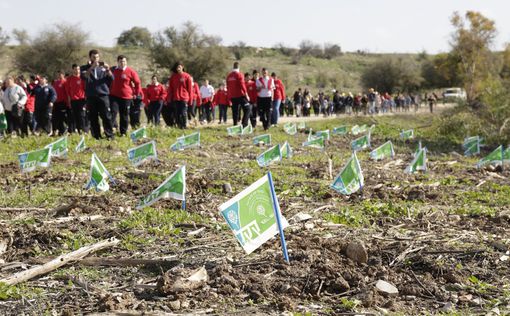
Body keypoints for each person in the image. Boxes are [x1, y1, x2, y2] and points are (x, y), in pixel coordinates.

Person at [81, 49, 114, 140]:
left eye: (97, 57)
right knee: (93, 117)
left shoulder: (103, 67)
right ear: (90, 57)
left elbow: (111, 79)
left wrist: (108, 70)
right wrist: (91, 67)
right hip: (91, 96)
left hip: (103, 95)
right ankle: (96, 136)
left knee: (106, 116)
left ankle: (109, 135)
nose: (96, 59)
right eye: (94, 57)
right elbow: (84, 77)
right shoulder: (84, 68)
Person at [110, 55, 142, 136]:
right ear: (118, 62)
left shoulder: (130, 71)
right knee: (113, 112)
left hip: (126, 97)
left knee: (124, 115)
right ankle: (109, 131)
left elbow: (137, 83)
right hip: (114, 96)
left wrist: (136, 93)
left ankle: (123, 132)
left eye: (124, 61)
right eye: (121, 61)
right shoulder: (113, 70)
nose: (122, 63)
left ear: (126, 62)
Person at [167, 61, 193, 129]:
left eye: (179, 67)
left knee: (183, 112)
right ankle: (179, 126)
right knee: (177, 113)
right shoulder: (173, 77)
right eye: (177, 67)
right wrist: (169, 98)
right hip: (176, 98)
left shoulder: (187, 76)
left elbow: (190, 89)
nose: (178, 68)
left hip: (184, 98)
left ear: (182, 67)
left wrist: (190, 100)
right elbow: (170, 88)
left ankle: (184, 125)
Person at [65, 64, 88, 134]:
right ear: (73, 70)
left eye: (78, 69)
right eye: (75, 69)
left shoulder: (82, 78)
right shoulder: (69, 79)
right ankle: (78, 131)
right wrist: (69, 100)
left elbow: (85, 89)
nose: (77, 71)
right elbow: (68, 91)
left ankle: (84, 130)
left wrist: (86, 100)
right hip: (73, 100)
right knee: (75, 116)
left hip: (82, 100)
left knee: (82, 115)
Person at [226, 61, 250, 127]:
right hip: (240, 95)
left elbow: (228, 87)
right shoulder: (239, 74)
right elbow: (242, 85)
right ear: (239, 67)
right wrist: (246, 94)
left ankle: (235, 125)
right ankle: (244, 124)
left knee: (235, 111)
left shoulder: (229, 76)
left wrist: (229, 97)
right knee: (248, 108)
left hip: (232, 96)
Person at [51, 71, 69, 135]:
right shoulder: (55, 82)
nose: (59, 75)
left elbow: (67, 93)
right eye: (58, 74)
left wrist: (68, 102)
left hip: (63, 102)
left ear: (63, 75)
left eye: (60, 74)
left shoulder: (65, 82)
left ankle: (63, 130)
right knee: (55, 117)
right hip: (56, 103)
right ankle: (58, 130)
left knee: (62, 117)